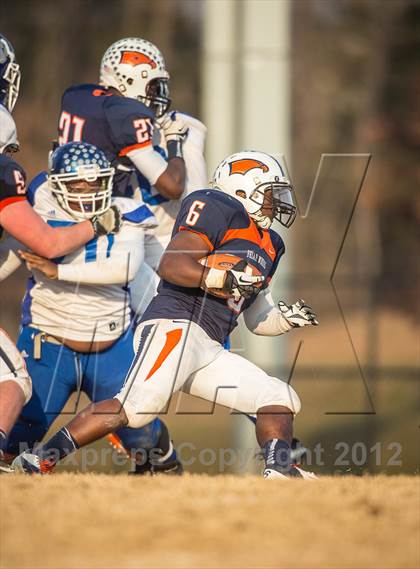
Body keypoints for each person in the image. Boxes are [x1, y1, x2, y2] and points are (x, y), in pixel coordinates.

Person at [13, 150, 319, 478]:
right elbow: (172, 264)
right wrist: (221, 278)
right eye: (271, 193)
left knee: (279, 396)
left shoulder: (271, 243)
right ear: (244, 190)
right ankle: (39, 460)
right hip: (177, 324)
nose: (278, 202)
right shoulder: (217, 206)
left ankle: (280, 472)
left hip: (210, 345)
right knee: (136, 407)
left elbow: (258, 318)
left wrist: (285, 319)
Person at [1, 141, 182, 475]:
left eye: (95, 183)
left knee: (141, 429)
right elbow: (14, 249)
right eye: (76, 185)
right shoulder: (38, 202)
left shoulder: (125, 210)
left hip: (111, 346)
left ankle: (165, 464)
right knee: (14, 442)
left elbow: (123, 268)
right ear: (57, 184)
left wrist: (59, 270)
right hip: (48, 343)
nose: (86, 192)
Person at [0, 109, 120, 472]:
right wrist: (98, 224)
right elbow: (48, 243)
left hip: (109, 337)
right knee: (13, 379)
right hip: (49, 337)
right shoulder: (13, 177)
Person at [56, 37, 187, 201]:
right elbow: (173, 188)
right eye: (152, 85)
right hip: (96, 204)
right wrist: (175, 141)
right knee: (143, 219)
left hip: (60, 194)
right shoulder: (127, 115)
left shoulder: (76, 95)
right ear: (130, 80)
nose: (155, 93)